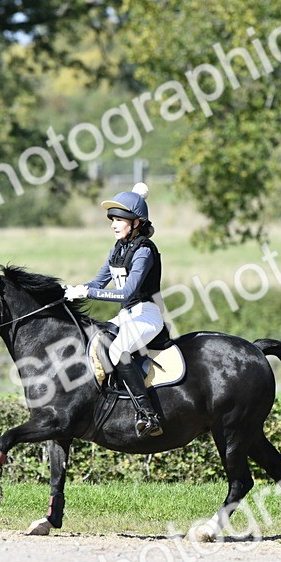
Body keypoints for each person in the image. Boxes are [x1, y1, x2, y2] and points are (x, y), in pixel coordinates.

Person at [63, 182, 165, 437]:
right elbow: (97, 283)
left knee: (119, 349)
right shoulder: (118, 249)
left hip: (146, 315)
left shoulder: (144, 251)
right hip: (126, 316)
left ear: (136, 222)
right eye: (113, 219)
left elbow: (126, 293)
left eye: (119, 219)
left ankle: (148, 414)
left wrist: (89, 292)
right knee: (93, 338)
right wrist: (69, 291)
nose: (113, 224)